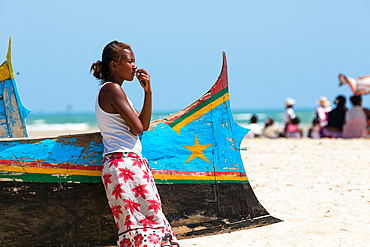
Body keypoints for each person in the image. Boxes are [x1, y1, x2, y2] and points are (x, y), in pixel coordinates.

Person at [91, 41, 178, 247]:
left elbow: (143, 125)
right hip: (125, 166)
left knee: (140, 226)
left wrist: (147, 92)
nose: (134, 67)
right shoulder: (112, 90)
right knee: (149, 224)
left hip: (124, 165)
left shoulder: (115, 91)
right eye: (130, 61)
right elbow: (138, 129)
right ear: (114, 65)